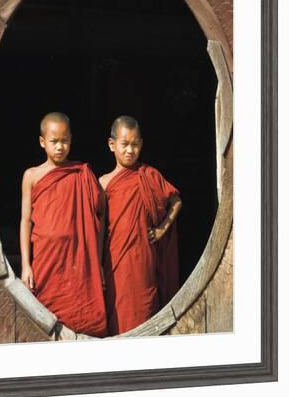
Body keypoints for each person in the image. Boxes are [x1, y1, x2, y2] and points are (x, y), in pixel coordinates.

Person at [19, 112, 107, 338]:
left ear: (71, 139)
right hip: (46, 260)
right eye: (54, 141)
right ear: (42, 142)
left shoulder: (82, 174)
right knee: (44, 320)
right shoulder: (32, 175)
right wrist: (26, 265)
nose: (60, 147)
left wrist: (97, 259)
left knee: (82, 318)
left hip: (78, 261)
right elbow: (25, 221)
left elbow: (101, 212)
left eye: (65, 140)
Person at [99, 116, 182, 336]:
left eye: (135, 145)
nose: (129, 150)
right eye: (124, 144)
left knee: (145, 312)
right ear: (111, 145)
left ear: (141, 145)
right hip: (115, 260)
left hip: (144, 260)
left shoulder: (149, 175)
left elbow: (176, 201)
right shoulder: (103, 183)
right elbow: (96, 230)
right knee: (118, 313)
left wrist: (163, 228)